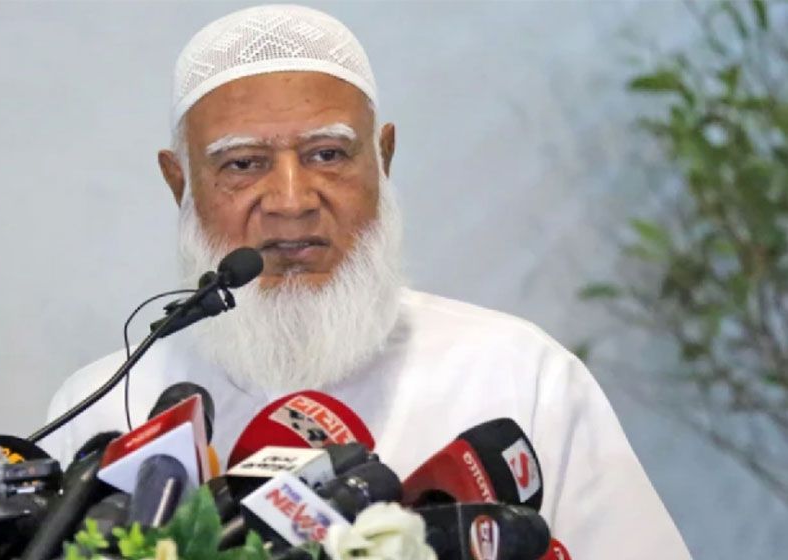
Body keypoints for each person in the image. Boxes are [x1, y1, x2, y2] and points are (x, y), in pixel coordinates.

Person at [42, 5, 691, 557]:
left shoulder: (520, 377)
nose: (292, 201)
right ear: (179, 183)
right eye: (242, 164)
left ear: (382, 159)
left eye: (327, 155)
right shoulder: (110, 409)